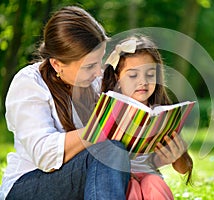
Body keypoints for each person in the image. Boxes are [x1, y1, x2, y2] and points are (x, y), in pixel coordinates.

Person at [0, 6, 130, 200]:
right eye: (89, 66)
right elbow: (45, 156)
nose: (98, 72)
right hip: (26, 188)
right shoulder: (29, 83)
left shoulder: (94, 82)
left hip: (72, 181)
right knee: (108, 150)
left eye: (99, 61)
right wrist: (98, 129)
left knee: (112, 150)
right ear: (56, 64)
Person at [102, 35, 193, 200]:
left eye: (150, 74)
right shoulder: (106, 111)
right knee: (132, 189)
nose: (143, 81)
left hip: (150, 179)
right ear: (118, 79)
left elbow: (184, 168)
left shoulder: (162, 114)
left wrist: (177, 155)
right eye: (132, 75)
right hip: (118, 179)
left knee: (154, 183)